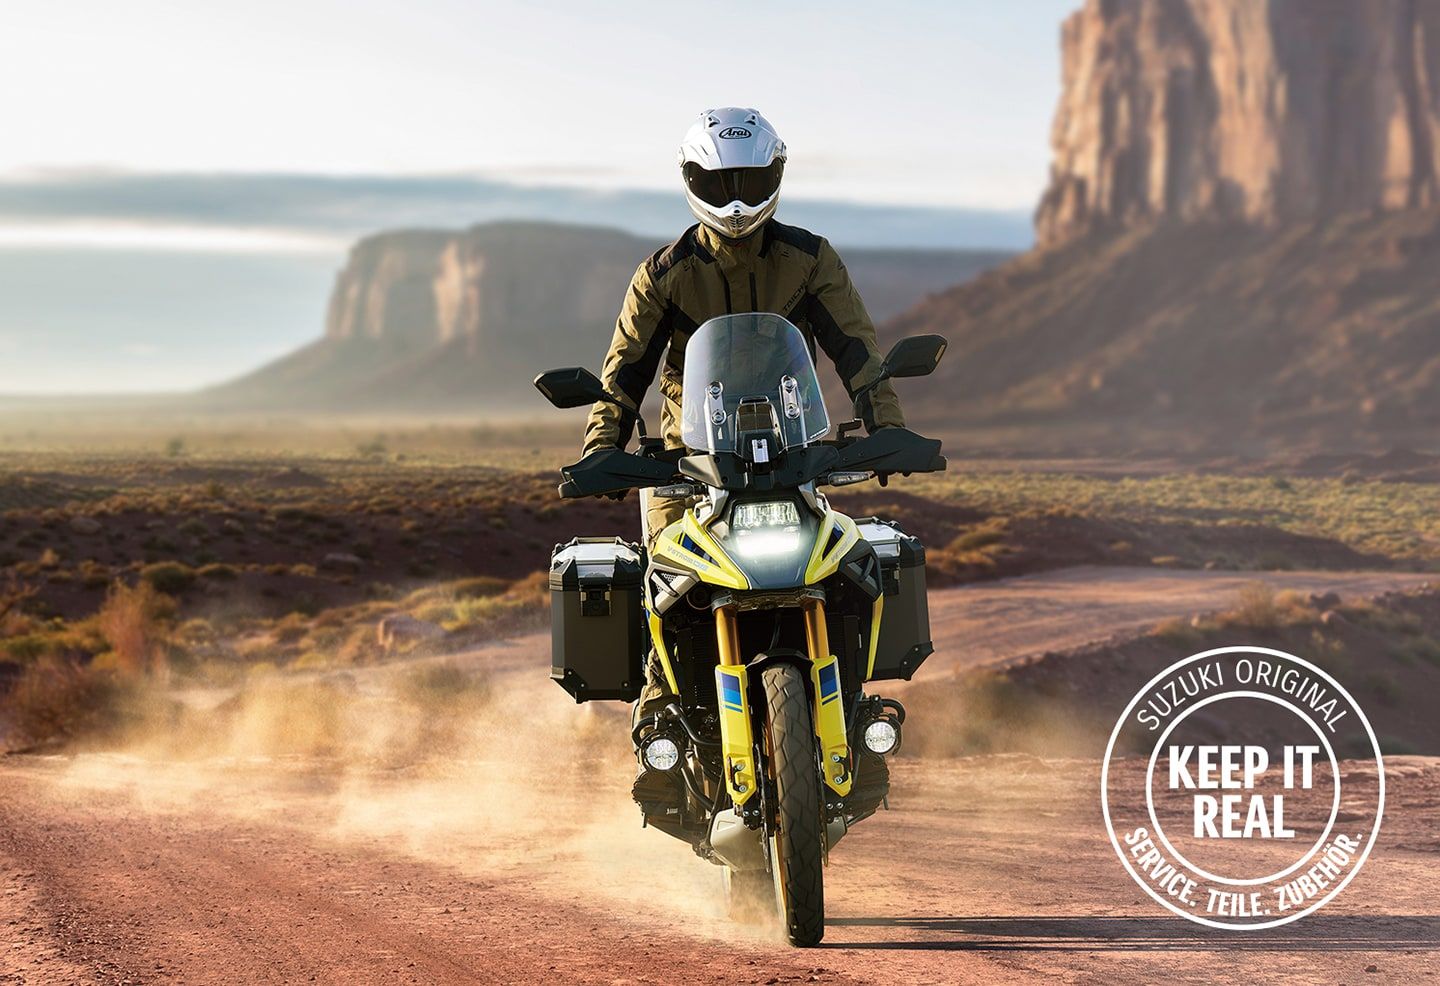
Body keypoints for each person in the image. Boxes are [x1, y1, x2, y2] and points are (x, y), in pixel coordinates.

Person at [581, 107, 906, 804]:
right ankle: (661, 738)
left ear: (775, 176)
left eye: (750, 178)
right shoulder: (664, 273)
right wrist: (602, 449)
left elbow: (856, 349)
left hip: (791, 456)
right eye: (720, 179)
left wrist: (887, 427)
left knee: (841, 571)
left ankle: (853, 714)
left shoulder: (809, 258)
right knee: (662, 596)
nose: (735, 196)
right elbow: (625, 373)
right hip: (687, 461)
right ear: (694, 180)